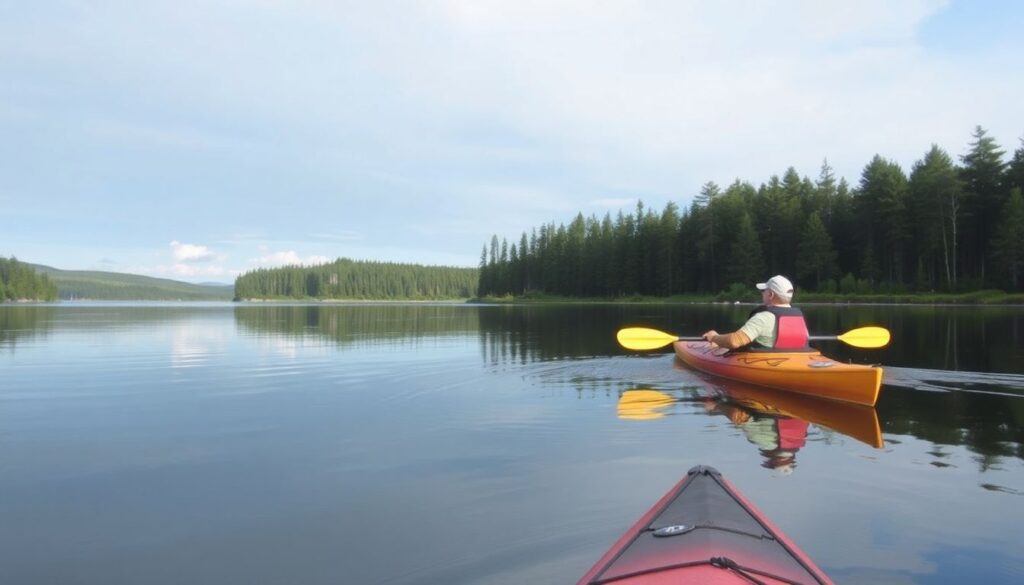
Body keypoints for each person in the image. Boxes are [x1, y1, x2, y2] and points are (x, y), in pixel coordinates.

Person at [701, 275, 808, 350]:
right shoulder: (798, 317)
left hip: (768, 361)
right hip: (794, 359)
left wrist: (714, 337)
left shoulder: (763, 317)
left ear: (770, 295)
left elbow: (735, 341)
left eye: (764, 291)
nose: (762, 294)